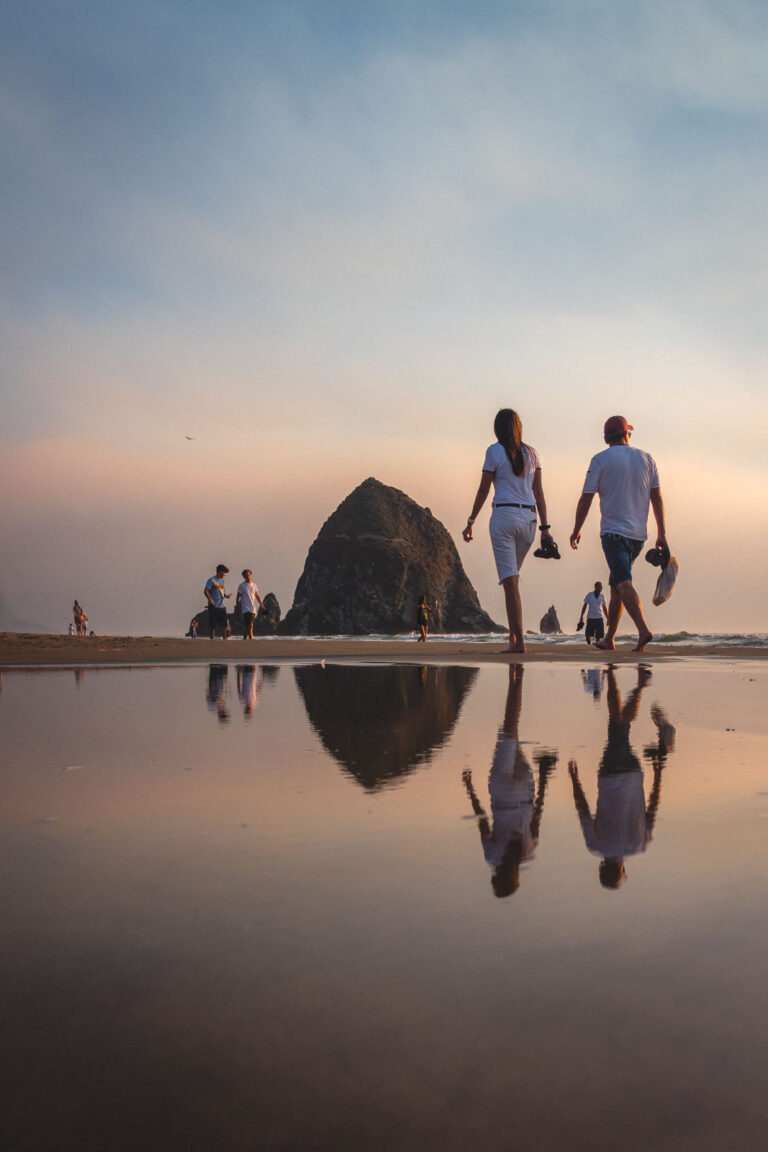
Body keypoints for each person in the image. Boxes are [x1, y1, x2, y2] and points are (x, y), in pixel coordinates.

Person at [568, 665, 673, 889]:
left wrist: (658, 775)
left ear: (622, 868)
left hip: (635, 776)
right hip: (609, 776)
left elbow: (653, 808)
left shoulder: (641, 845)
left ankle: (615, 676)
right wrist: (574, 780)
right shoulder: (595, 846)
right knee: (619, 724)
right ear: (601, 867)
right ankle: (638, 685)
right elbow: (582, 810)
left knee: (618, 724)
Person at [570, 416, 668, 652]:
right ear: (627, 435)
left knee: (623, 582)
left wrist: (577, 529)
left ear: (606, 438)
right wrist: (662, 533)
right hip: (638, 536)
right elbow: (657, 498)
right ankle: (610, 639)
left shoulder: (600, 460)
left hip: (613, 533)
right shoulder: (647, 459)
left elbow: (586, 498)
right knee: (615, 585)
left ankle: (643, 630)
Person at [463, 408, 554, 654]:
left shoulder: (494, 451)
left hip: (504, 516)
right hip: (530, 520)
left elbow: (483, 490)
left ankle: (518, 642)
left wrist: (471, 520)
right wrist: (545, 528)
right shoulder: (533, 454)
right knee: (510, 580)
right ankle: (514, 637)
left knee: (510, 582)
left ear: (497, 429)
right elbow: (540, 495)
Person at [462, 664, 557, 897]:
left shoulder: (528, 852)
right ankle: (516, 679)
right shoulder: (493, 856)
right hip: (502, 791)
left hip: (525, 792)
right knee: (509, 731)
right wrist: (469, 788)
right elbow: (482, 820)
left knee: (512, 732)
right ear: (496, 877)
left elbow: (537, 815)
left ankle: (516, 681)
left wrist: (544, 780)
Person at [235, 569, 266, 640]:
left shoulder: (254, 585)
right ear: (243, 577)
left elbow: (257, 596)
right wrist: (238, 607)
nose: (248, 577)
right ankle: (251, 639)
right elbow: (238, 597)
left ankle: (245, 639)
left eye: (249, 575)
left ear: (251, 575)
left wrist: (261, 605)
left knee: (248, 626)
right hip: (245, 608)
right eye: (246, 576)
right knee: (250, 625)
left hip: (252, 608)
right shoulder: (241, 586)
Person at [204, 564, 232, 639]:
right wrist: (210, 599)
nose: (225, 574)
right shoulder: (211, 580)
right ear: (219, 571)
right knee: (213, 625)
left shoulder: (222, 581)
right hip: (213, 606)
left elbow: (221, 591)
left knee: (224, 625)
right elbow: (206, 591)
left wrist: (226, 596)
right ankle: (211, 639)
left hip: (222, 606)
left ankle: (225, 639)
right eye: (224, 572)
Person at [578, 581, 608, 645]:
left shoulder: (602, 596)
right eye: (599, 587)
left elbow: (605, 608)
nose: (601, 588)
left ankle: (597, 645)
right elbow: (585, 605)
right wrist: (581, 616)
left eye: (601, 587)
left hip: (599, 618)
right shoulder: (590, 595)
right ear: (595, 587)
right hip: (590, 618)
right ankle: (589, 645)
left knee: (598, 636)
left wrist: (608, 618)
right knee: (588, 635)